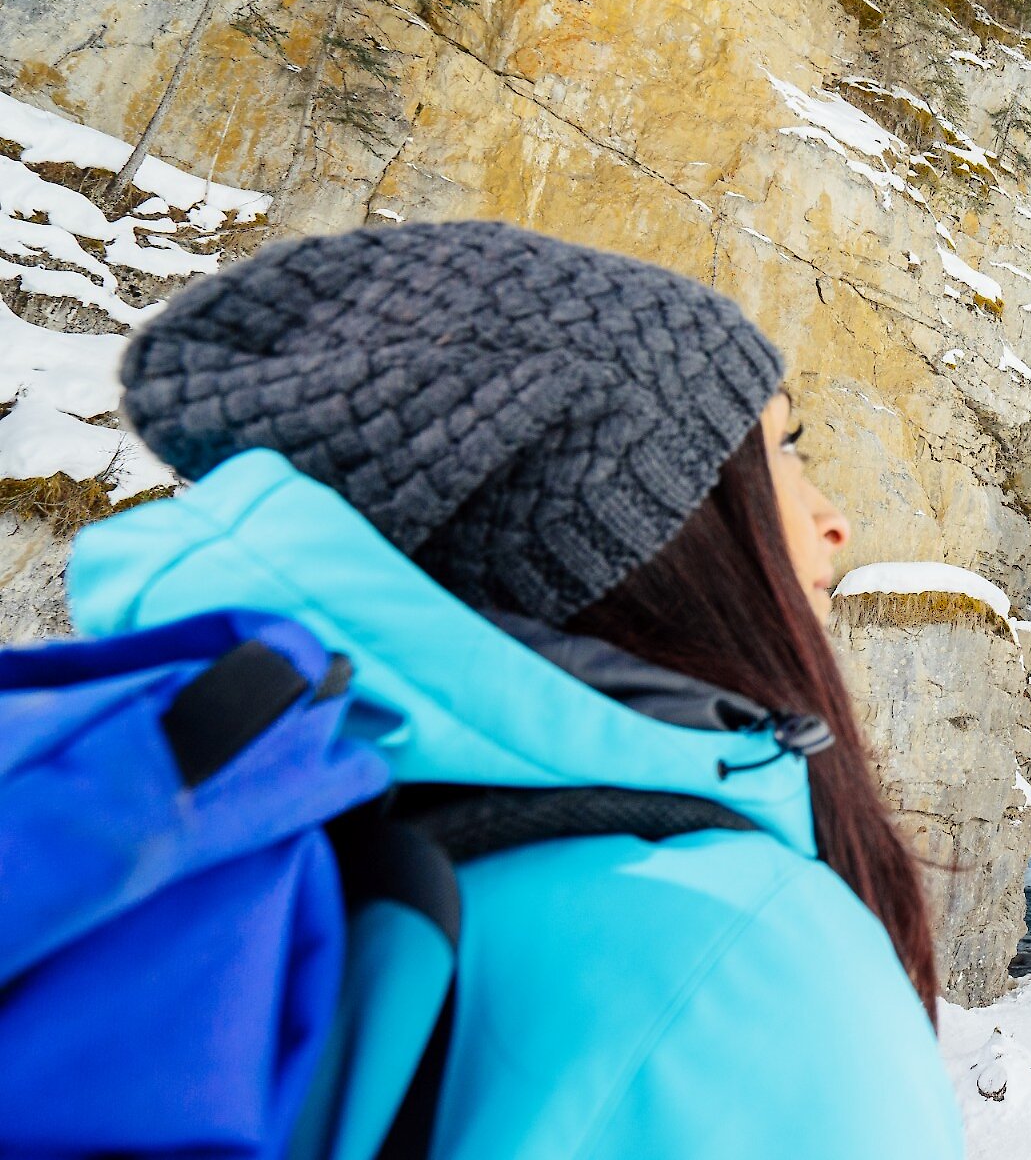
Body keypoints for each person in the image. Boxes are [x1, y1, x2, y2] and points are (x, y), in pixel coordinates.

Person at [67, 220, 967, 1157]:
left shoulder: (278, 829)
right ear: (641, 531)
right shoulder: (745, 955)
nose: (835, 519)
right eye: (783, 447)